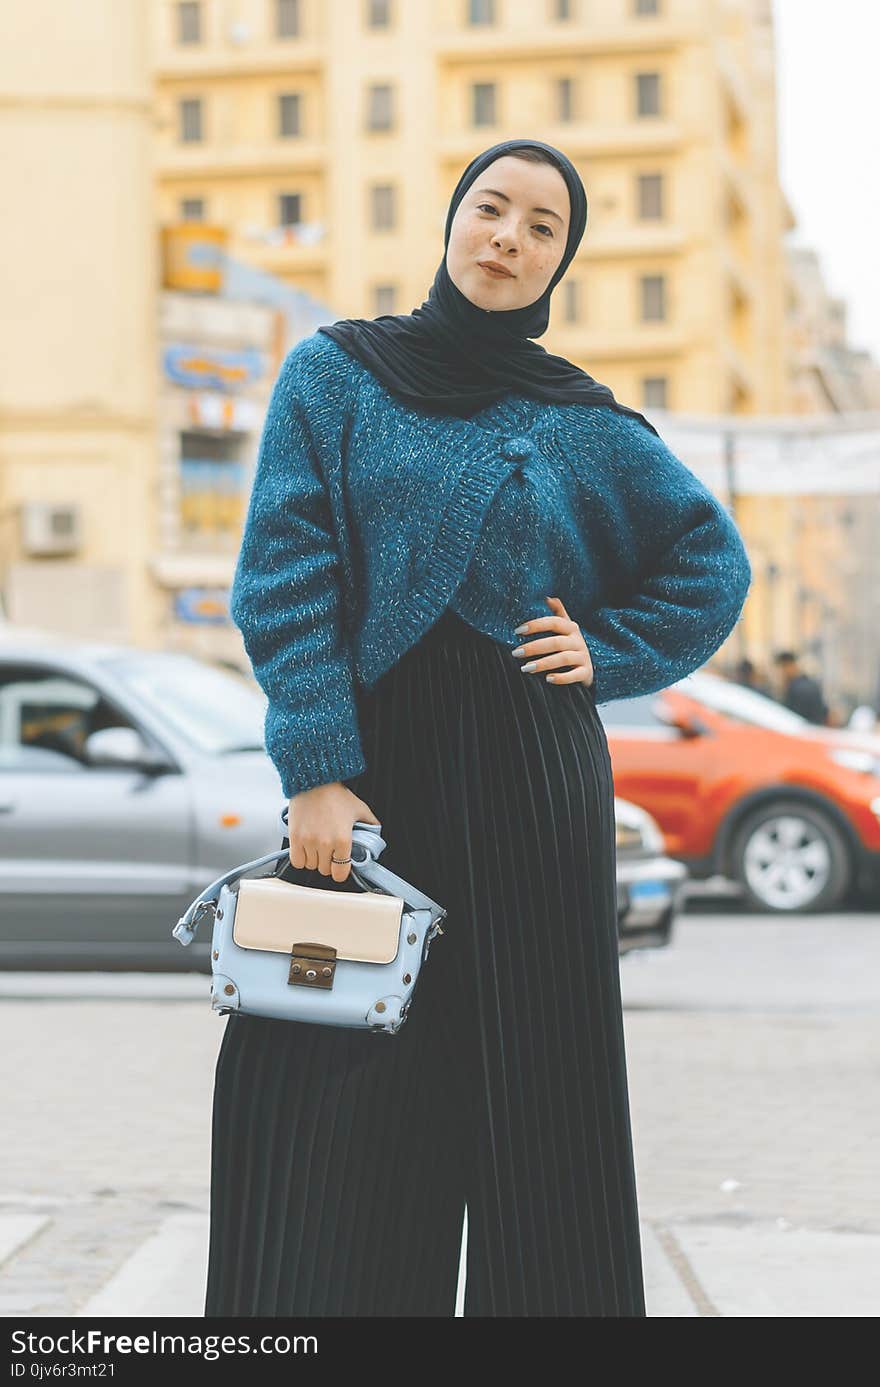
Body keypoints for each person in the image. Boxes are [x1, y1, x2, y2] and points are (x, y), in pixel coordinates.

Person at [204, 138, 752, 1318]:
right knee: (325, 1088)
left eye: (542, 225)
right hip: (371, 783)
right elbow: (285, 574)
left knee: (534, 1106)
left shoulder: (584, 421)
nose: (508, 236)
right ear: (452, 220)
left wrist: (612, 649)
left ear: (563, 259)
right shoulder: (337, 374)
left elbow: (709, 560)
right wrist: (316, 768)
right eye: (491, 208)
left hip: (530, 778)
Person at [773, 650, 829, 725]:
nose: (780, 674)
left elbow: (792, 719)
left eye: (781, 668)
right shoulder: (810, 683)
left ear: (788, 666)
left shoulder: (797, 689)